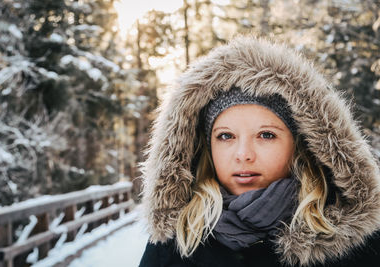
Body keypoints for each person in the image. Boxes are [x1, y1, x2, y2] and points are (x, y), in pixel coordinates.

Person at [138, 36, 380, 267]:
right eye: (226, 136)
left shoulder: (357, 245)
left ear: (301, 146)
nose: (243, 154)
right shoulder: (172, 245)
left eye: (266, 135)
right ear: (206, 147)